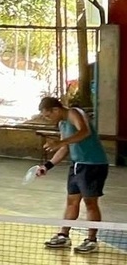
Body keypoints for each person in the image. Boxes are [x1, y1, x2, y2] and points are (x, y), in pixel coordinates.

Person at [34, 96, 110, 253]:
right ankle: (63, 235)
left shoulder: (74, 113)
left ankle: (91, 240)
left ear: (56, 109)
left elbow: (85, 132)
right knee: (71, 202)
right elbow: (65, 148)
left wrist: (60, 142)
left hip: (93, 165)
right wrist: (47, 166)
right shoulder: (62, 123)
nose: (48, 119)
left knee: (90, 203)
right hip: (76, 166)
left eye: (48, 115)